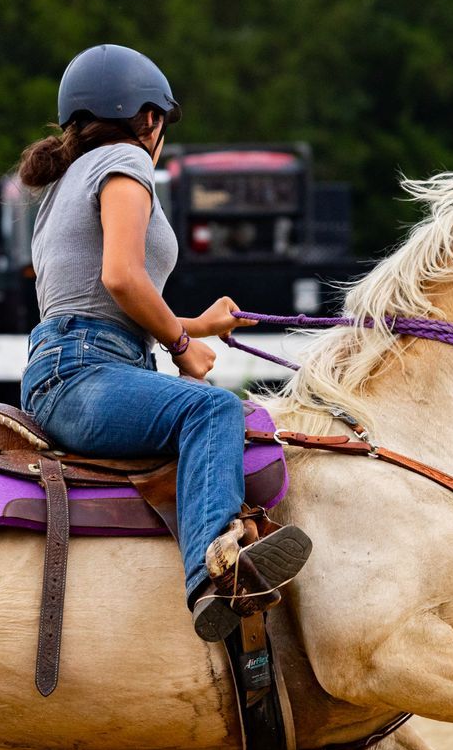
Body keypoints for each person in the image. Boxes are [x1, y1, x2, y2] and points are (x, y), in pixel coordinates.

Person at [17, 44, 312, 641]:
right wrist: (181, 345)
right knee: (213, 408)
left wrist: (198, 326)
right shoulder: (124, 160)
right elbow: (121, 277)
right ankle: (216, 576)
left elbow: (98, 298)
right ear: (148, 118)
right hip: (86, 370)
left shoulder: (68, 180)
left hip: (73, 361)